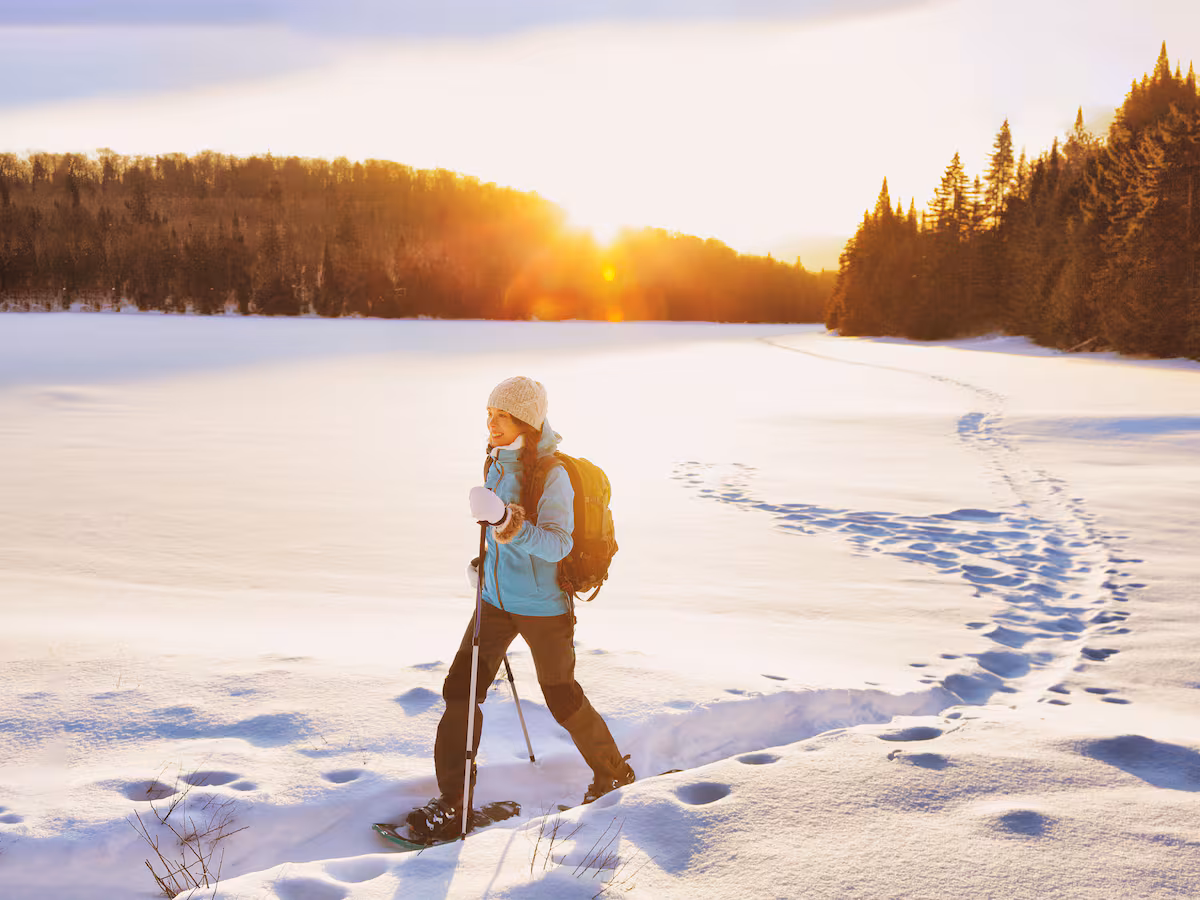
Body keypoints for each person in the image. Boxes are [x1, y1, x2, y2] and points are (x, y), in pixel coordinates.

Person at [404, 376, 634, 842]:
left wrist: (507, 522)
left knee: (561, 695)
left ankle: (613, 772)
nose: (490, 424)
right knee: (460, 691)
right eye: (488, 414)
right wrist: (484, 564)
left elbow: (556, 543)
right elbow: (496, 533)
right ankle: (453, 803)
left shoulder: (553, 475)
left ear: (525, 420)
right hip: (494, 601)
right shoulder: (495, 462)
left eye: (501, 416)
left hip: (544, 607)